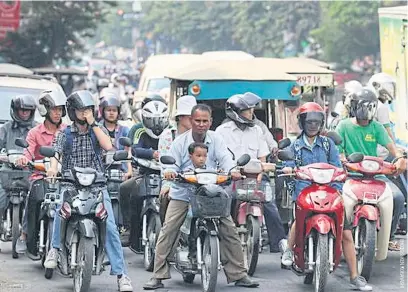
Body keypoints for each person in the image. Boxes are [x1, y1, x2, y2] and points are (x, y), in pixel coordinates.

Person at [143, 104, 259, 290]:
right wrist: (171, 172)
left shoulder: (217, 140)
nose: (201, 124)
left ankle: (239, 274)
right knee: (169, 228)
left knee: (229, 228)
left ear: (211, 122)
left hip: (210, 193)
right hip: (183, 192)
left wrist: (233, 171)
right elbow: (170, 164)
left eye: (205, 121)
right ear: (191, 120)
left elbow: (226, 160)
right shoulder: (180, 143)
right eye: (197, 120)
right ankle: (158, 275)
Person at [43, 90, 133, 292]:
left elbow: (108, 146)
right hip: (70, 185)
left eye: (88, 109)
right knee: (60, 209)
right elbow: (55, 154)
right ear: (72, 112)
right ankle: (55, 250)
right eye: (81, 110)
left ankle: (122, 276)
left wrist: (93, 123)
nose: (84, 113)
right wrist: (52, 168)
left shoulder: (98, 129)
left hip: (97, 186)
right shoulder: (64, 133)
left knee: (110, 226)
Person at [280, 102, 372, 291]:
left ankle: (355, 276)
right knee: (298, 220)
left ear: (321, 123)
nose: (313, 125)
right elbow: (287, 164)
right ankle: (288, 251)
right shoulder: (296, 145)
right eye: (309, 121)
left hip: (330, 191)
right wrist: (287, 168)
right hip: (304, 190)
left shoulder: (329, 144)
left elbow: (337, 166)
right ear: (302, 122)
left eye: (316, 121)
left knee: (346, 233)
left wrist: (340, 180)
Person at [216, 92, 288, 253]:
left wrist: (260, 176)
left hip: (256, 177)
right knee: (223, 202)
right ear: (236, 113)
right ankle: (220, 240)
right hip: (230, 178)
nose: (251, 113)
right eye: (247, 110)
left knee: (270, 204)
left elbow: (262, 157)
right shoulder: (221, 131)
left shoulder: (257, 130)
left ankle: (280, 245)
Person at [338, 87, 407, 251]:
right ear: (354, 106)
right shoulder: (343, 126)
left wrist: (400, 158)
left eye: (369, 106)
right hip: (350, 174)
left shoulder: (376, 127)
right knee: (338, 202)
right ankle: (339, 236)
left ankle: (388, 237)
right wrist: (343, 160)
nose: (366, 111)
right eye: (362, 106)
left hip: (375, 175)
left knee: (397, 198)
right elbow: (338, 151)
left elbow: (392, 147)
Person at [15, 89, 67, 257]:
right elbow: (28, 152)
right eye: (53, 109)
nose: (57, 113)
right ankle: (25, 234)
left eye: (60, 109)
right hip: (40, 176)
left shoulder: (67, 131)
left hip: (63, 177)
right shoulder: (35, 132)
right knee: (32, 197)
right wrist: (24, 159)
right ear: (45, 110)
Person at [119, 95, 169, 250]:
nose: (156, 123)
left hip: (166, 174)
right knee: (124, 189)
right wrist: (152, 153)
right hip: (143, 173)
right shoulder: (137, 129)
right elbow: (133, 148)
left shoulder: (170, 130)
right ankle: (127, 226)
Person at [0, 95, 38, 231]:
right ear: (14, 110)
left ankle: (36, 236)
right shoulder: (5, 129)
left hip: (30, 174)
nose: (24, 113)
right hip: (6, 174)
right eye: (21, 110)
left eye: (27, 110)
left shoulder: (37, 129)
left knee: (38, 202)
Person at [158, 95, 197, 222]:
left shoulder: (200, 135)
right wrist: (168, 182)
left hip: (198, 180)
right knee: (165, 197)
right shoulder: (168, 136)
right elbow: (165, 163)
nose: (193, 121)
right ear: (180, 117)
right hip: (175, 181)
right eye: (189, 117)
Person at [99, 93, 132, 180]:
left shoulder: (124, 130)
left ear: (118, 112)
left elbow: (127, 152)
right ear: (103, 111)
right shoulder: (97, 130)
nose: (111, 113)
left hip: (121, 170)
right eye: (108, 110)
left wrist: (129, 171)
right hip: (101, 170)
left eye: (114, 110)